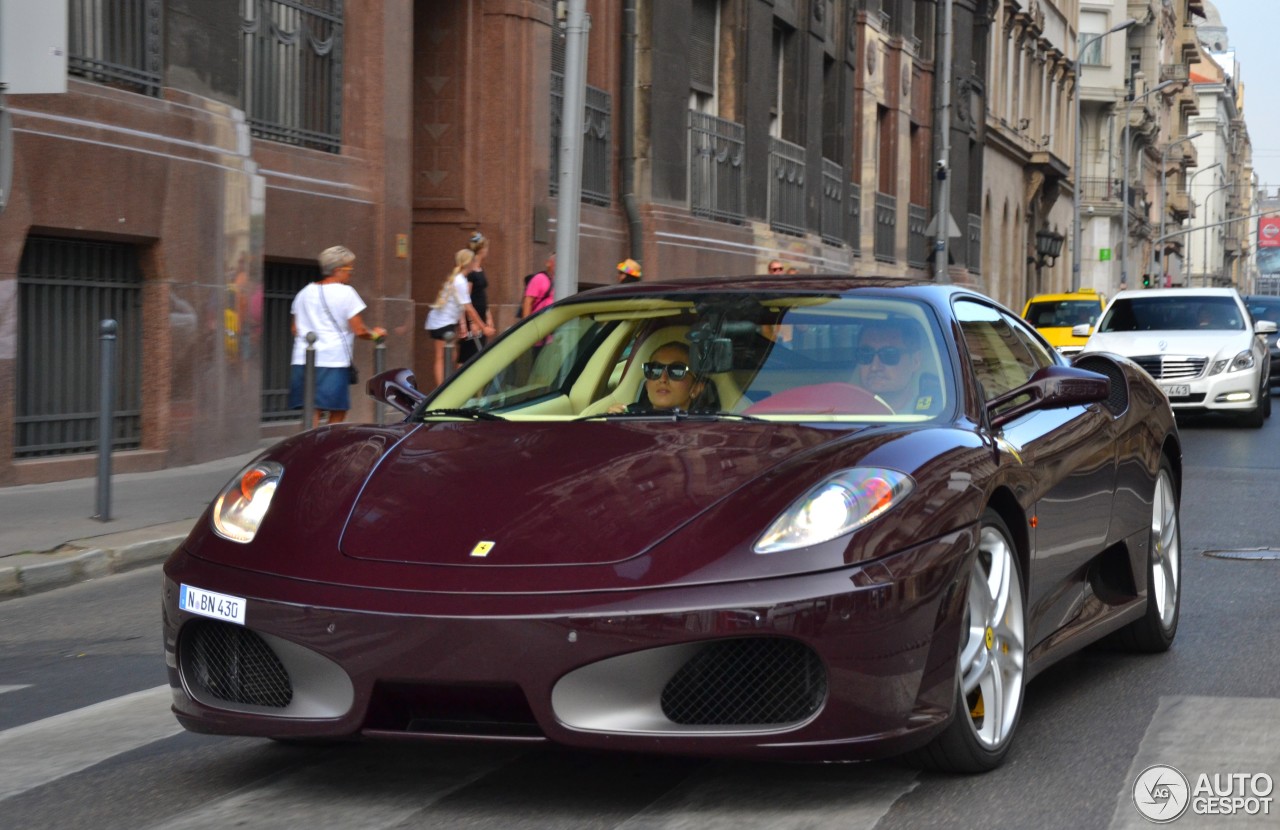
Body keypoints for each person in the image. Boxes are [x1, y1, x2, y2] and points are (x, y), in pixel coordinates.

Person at [288, 245, 386, 428]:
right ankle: (326, 445)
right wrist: (376, 335)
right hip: (333, 359)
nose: (351, 273)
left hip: (303, 358)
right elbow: (359, 330)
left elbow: (295, 328)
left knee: (312, 409)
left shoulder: (304, 293)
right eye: (350, 269)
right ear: (337, 270)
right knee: (338, 408)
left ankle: (309, 446)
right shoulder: (346, 293)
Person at [426, 248, 488, 387]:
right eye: (473, 261)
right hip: (441, 323)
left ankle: (446, 387)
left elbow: (460, 306)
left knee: (451, 355)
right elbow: (469, 308)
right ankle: (441, 390)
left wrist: (462, 325)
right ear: (469, 263)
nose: (475, 263)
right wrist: (484, 328)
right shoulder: (460, 281)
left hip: (443, 321)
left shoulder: (459, 279)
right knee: (441, 357)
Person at [854, 318, 930, 414]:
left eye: (889, 355)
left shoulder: (933, 415)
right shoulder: (840, 413)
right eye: (866, 354)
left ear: (915, 361)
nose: (875, 367)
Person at [608, 341, 707, 413]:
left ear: (696, 388)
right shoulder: (628, 416)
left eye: (676, 371)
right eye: (654, 370)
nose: (663, 379)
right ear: (647, 385)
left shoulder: (709, 427)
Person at [459, 232, 497, 363]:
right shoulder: (471, 272)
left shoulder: (480, 269)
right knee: (468, 356)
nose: (487, 251)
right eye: (486, 248)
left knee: (477, 355)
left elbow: (482, 294)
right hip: (473, 319)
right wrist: (472, 322)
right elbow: (466, 299)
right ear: (481, 250)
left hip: (481, 317)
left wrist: (488, 315)